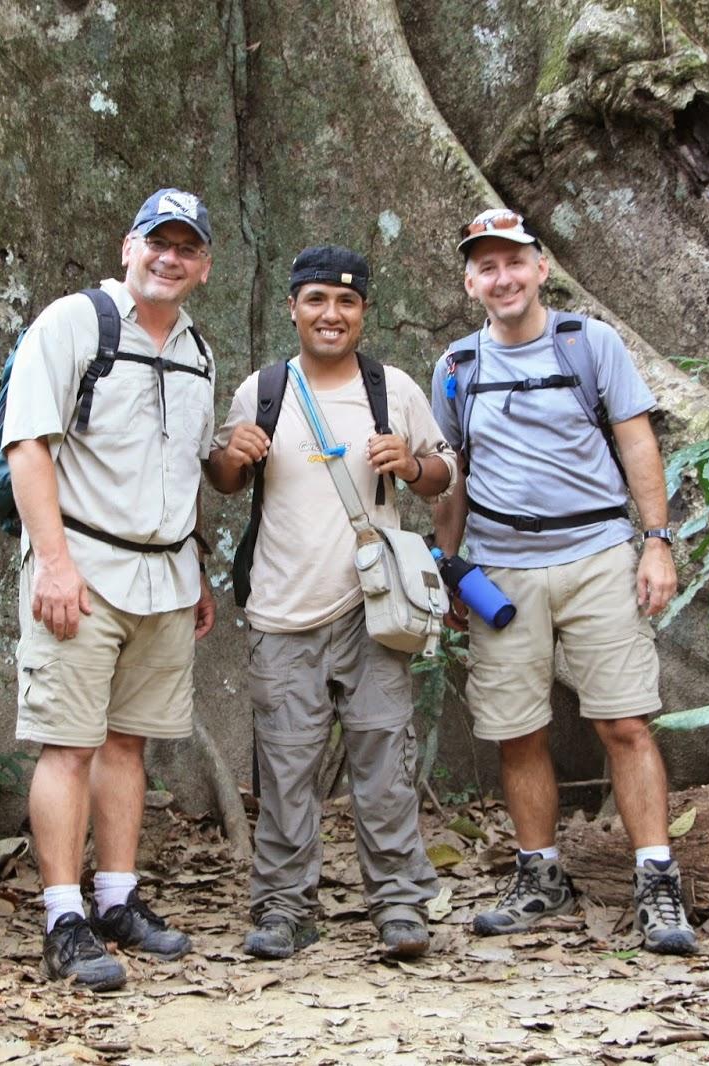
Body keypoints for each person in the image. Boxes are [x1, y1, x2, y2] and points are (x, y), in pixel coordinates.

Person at [429, 209, 697, 956]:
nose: (503, 276)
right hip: (502, 566)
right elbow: (451, 478)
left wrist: (657, 544)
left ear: (540, 268)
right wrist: (452, 569)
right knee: (518, 731)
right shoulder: (456, 367)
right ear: (470, 281)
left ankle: (656, 881)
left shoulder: (589, 343)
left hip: (597, 555)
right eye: (486, 265)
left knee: (626, 721)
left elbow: (636, 439)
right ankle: (539, 875)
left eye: (514, 260)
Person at [206, 245, 457, 961]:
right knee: (286, 767)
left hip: (376, 611)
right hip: (283, 611)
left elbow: (443, 473)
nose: (331, 314)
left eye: (346, 302)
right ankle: (284, 908)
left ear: (363, 313)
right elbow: (225, 478)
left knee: (386, 760)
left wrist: (411, 466)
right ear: (293, 307)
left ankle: (401, 907)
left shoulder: (392, 388)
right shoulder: (263, 389)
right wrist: (233, 456)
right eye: (316, 300)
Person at [1, 188, 219, 991]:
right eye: (157, 241)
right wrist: (53, 565)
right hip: (82, 573)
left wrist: (194, 567)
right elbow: (28, 447)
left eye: (186, 247)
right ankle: (63, 916)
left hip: (164, 579)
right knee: (70, 743)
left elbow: (181, 469)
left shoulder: (198, 350)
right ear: (129, 245)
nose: (170, 257)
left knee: (129, 742)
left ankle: (117, 899)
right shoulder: (73, 323)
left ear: (203, 266)